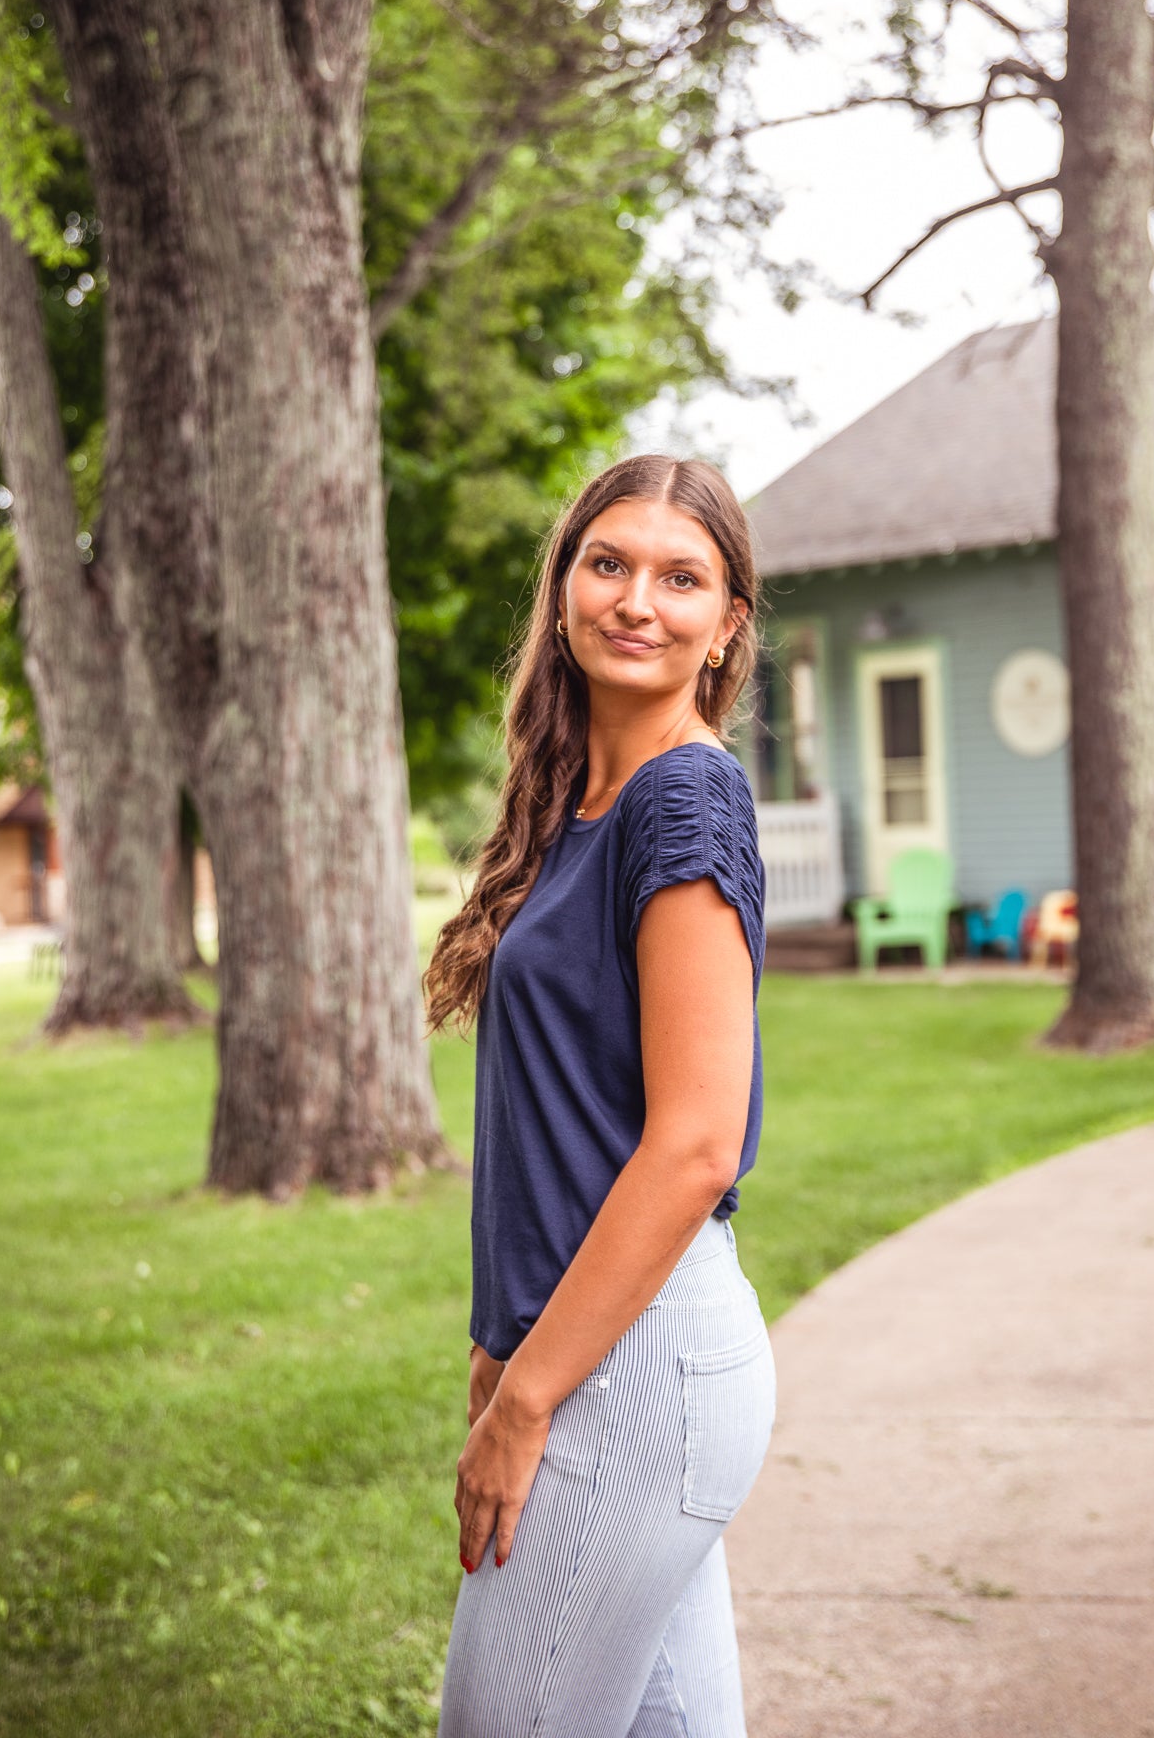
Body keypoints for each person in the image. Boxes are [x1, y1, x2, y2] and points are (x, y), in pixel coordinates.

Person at [422, 452, 776, 1738]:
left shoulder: (683, 795)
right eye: (608, 562)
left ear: (728, 621)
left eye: (682, 576)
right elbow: (566, 1118)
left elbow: (692, 1145)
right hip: (602, 1338)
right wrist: (502, 1332)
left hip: (636, 1363)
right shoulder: (581, 802)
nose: (638, 599)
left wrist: (528, 1397)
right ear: (564, 584)